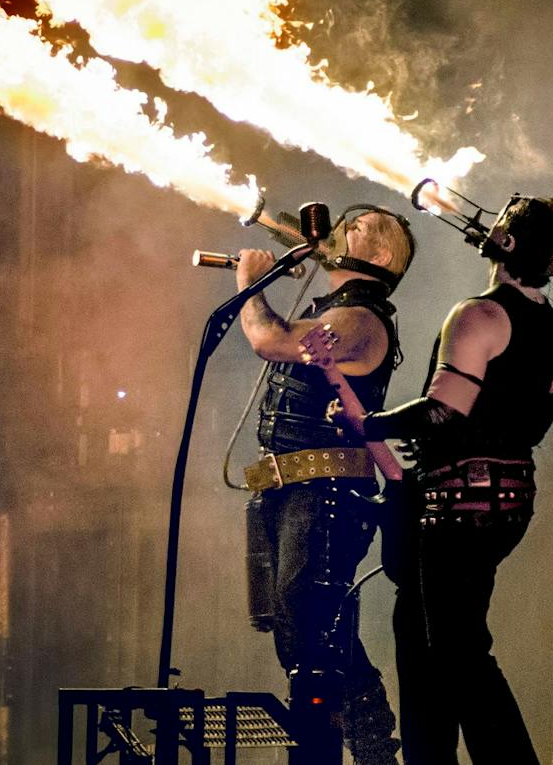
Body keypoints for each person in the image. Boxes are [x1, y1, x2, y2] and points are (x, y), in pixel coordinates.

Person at [349, 194, 553, 765]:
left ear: (505, 240)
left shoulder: (478, 315)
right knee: (424, 636)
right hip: (503, 503)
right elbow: (540, 419)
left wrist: (368, 424)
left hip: (460, 508)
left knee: (458, 652)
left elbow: (442, 414)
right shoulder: (548, 325)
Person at [234, 206, 415, 765]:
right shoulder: (337, 307)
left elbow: (272, 340)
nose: (345, 225)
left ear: (381, 256)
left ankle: (371, 750)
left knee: (308, 616)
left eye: (360, 226)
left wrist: (251, 286)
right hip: (286, 489)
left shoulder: (362, 318)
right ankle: (355, 744)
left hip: (327, 491)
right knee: (295, 627)